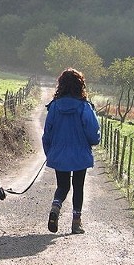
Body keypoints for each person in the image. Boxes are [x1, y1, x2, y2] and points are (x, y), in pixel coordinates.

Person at [42, 68, 100, 234]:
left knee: (62, 186)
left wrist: (50, 152)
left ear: (61, 85)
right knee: (78, 187)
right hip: (80, 153)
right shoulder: (84, 107)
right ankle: (76, 222)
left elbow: (48, 133)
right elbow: (92, 131)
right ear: (79, 85)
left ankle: (56, 206)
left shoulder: (54, 107)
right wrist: (94, 142)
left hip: (60, 153)